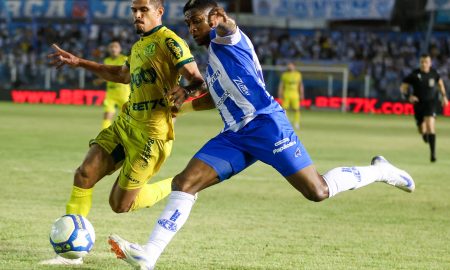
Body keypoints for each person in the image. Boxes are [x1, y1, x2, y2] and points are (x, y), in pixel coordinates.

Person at [107, 2, 415, 269]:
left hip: (266, 126)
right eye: (188, 23)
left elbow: (229, 28)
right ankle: (150, 254)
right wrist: (185, 102)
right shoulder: (213, 62)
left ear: (214, 17)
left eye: (196, 21)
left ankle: (381, 171)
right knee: (185, 182)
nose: (191, 28)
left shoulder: (227, 39)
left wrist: (222, 21)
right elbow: (216, 96)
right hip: (234, 135)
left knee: (317, 191)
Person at [40, 0, 205, 265]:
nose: (137, 16)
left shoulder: (170, 42)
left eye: (143, 10)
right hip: (126, 121)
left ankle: (179, 186)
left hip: (152, 133)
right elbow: (120, 74)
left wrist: (185, 90)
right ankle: (71, 256)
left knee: (120, 205)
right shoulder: (139, 45)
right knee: (84, 174)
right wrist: (79, 62)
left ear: (159, 12)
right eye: (134, 11)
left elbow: (198, 79)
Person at [400, 53, 448, 162]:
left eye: (426, 62)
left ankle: (433, 154)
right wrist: (409, 96)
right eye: (422, 62)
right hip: (418, 104)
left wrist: (444, 97)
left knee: (431, 126)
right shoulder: (414, 74)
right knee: (421, 129)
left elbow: (440, 84)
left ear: (430, 63)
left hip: (431, 103)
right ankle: (424, 135)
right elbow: (403, 87)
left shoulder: (434, 73)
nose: (424, 64)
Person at [94, 40, 131, 129]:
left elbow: (123, 74)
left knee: (127, 116)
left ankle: (126, 135)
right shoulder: (107, 60)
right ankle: (104, 136)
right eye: (111, 47)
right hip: (111, 92)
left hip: (123, 92)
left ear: (120, 49)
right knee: (107, 115)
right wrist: (102, 79)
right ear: (108, 49)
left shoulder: (124, 59)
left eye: (116, 47)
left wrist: (103, 79)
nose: (113, 49)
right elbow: (106, 74)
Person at [278, 62, 304, 130]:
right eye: (288, 65)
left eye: (291, 65)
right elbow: (281, 85)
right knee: (284, 109)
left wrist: (302, 93)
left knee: (296, 109)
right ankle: (285, 123)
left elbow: (300, 85)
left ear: (294, 66)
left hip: (295, 94)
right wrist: (280, 93)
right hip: (286, 94)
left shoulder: (298, 74)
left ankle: (296, 123)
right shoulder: (284, 75)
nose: (290, 67)